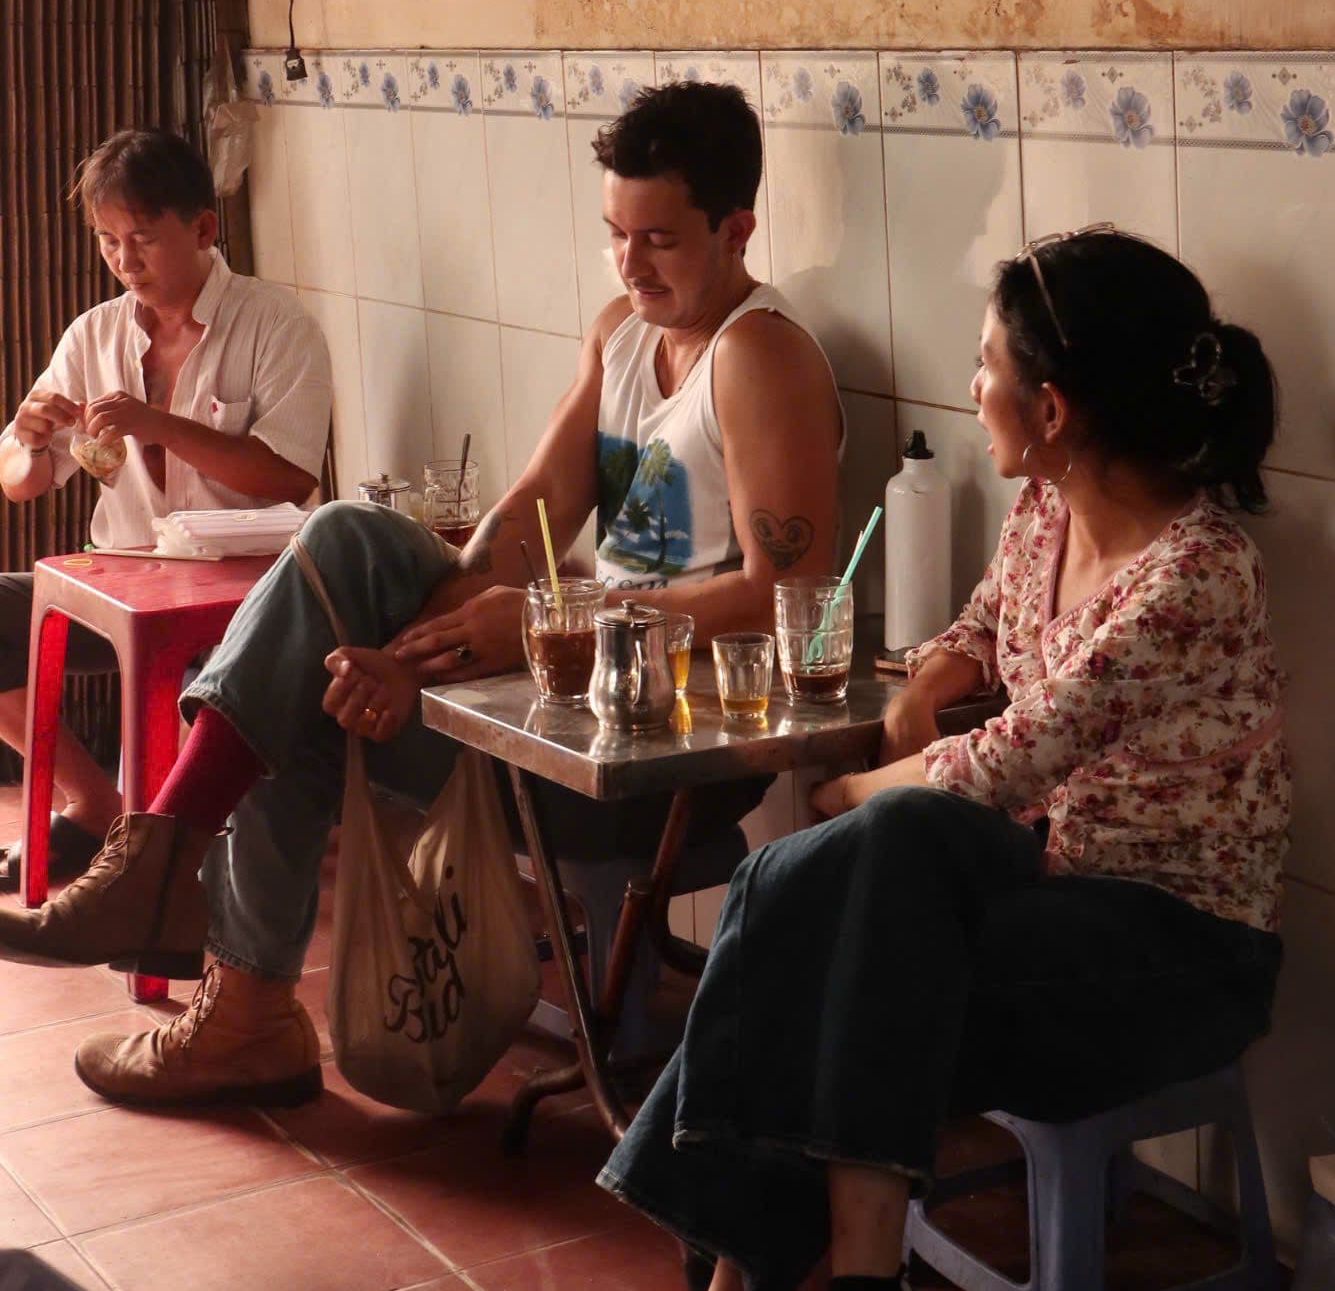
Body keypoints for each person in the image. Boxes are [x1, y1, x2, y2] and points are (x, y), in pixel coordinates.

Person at [528, 229, 1292, 1291]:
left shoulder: (1197, 575)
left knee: (854, 866)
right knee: (842, 908)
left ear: (1050, 408)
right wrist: (935, 667)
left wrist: (851, 789)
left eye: (985, 364)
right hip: (1045, 896)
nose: (969, 384)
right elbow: (981, 634)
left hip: (1175, 950)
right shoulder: (1050, 508)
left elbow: (996, 765)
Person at [0, 80, 844, 1114]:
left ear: (737, 227)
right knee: (330, 626)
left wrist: (533, 622)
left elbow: (787, 592)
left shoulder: (759, 356)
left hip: (664, 742)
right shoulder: (623, 332)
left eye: (659, 240)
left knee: (327, 591)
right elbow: (536, 506)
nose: (631, 265)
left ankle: (214, 961)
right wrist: (417, 644)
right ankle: (222, 975)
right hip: (571, 684)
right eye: (616, 236)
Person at [0, 129, 332, 889]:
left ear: (205, 228)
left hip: (245, 591)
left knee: (223, 695)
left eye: (143, 239)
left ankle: (178, 856)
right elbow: (19, 478)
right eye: (109, 242)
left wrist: (158, 425)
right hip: (117, 582)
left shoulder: (277, 326)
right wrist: (28, 433)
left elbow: (286, 476)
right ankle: (97, 804)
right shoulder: (96, 332)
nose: (125, 261)